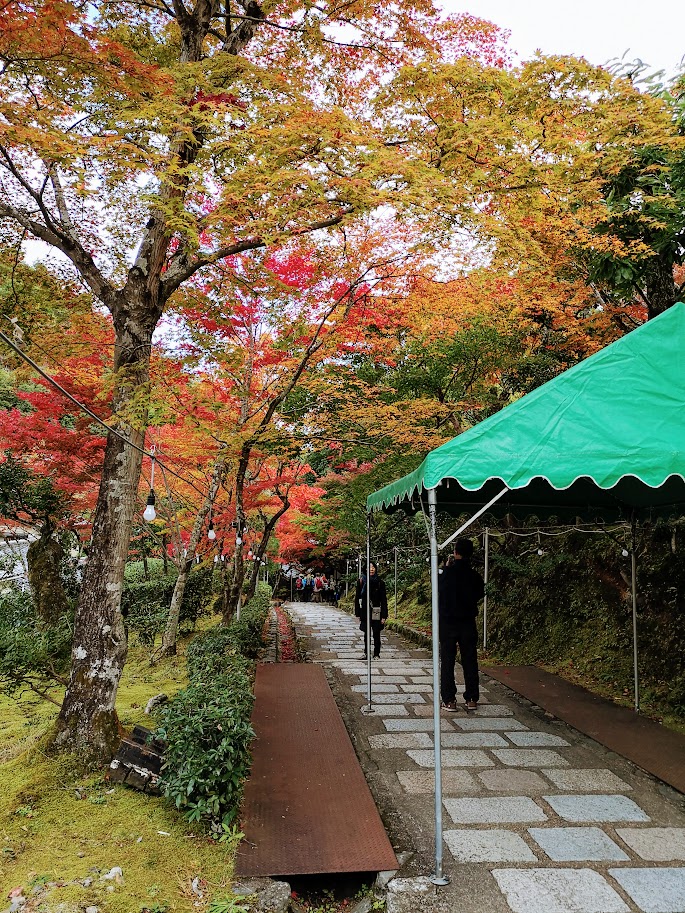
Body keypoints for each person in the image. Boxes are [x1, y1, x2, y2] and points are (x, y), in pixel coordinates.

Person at [438, 538, 485, 712]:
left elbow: (438, 592)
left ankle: (449, 699)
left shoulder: (445, 573)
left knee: (448, 660)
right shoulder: (475, 576)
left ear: (455, 552)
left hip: (448, 621)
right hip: (467, 621)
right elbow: (480, 593)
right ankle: (472, 698)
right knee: (470, 659)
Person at [355, 562, 388, 659]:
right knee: (366, 633)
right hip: (365, 610)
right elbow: (358, 598)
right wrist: (358, 613)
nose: (372, 569)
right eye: (369, 567)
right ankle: (366, 652)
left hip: (376, 610)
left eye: (373, 567)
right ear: (365, 569)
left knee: (376, 632)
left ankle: (376, 653)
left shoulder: (380, 582)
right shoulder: (361, 582)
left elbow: (384, 600)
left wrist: (384, 615)